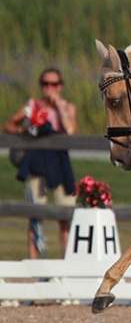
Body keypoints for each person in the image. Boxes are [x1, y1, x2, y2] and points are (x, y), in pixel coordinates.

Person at [3, 68, 77, 258]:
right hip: (36, 160)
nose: (49, 88)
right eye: (45, 84)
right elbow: (9, 124)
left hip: (59, 162)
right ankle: (34, 262)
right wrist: (24, 133)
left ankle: (67, 260)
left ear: (60, 86)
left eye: (53, 84)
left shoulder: (68, 107)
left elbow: (69, 130)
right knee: (35, 213)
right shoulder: (33, 105)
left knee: (65, 214)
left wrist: (58, 106)